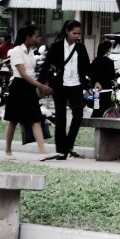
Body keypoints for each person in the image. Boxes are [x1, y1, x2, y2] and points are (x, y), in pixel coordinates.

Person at [40, 20, 91, 161]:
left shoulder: (81, 48)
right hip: (60, 86)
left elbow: (87, 67)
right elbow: (46, 66)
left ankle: (68, 144)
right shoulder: (56, 47)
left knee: (78, 114)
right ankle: (61, 150)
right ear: (67, 32)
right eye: (74, 33)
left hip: (76, 85)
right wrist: (40, 84)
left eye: (79, 33)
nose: (77, 36)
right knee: (61, 118)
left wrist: (94, 82)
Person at [3, 26, 53, 158]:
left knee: (36, 118)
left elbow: (31, 74)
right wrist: (41, 86)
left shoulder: (31, 52)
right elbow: (23, 74)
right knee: (13, 120)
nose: (38, 38)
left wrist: (38, 87)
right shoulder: (16, 51)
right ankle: (8, 150)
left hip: (30, 87)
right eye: (36, 36)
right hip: (19, 87)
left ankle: (42, 151)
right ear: (27, 37)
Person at [89, 40, 116, 117]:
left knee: (96, 107)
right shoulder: (110, 62)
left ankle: (94, 122)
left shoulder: (95, 61)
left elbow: (91, 74)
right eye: (111, 48)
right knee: (105, 109)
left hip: (96, 90)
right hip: (106, 90)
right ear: (108, 49)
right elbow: (112, 76)